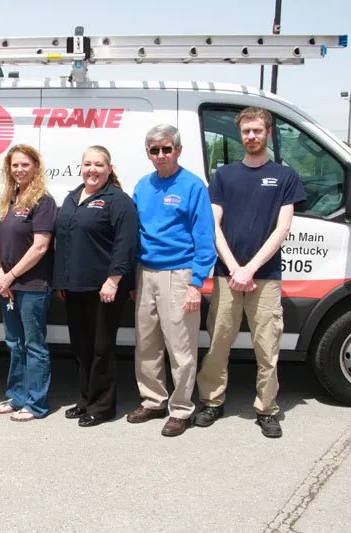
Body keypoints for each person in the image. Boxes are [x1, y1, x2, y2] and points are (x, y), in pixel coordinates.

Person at [195, 107, 306, 438]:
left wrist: (250, 269)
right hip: (226, 275)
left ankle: (267, 409)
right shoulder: (223, 175)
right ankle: (212, 402)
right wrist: (234, 267)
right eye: (246, 131)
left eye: (257, 130)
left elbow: (282, 229)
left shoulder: (285, 177)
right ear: (240, 134)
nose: (251, 136)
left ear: (268, 132)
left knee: (267, 348)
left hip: (265, 277)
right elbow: (213, 225)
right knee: (218, 343)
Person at [126, 125, 217, 437]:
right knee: (146, 343)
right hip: (145, 272)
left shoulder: (192, 186)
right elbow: (135, 234)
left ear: (178, 150)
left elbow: (204, 238)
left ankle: (181, 409)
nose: (161, 155)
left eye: (167, 149)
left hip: (179, 274)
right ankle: (153, 400)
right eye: (155, 150)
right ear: (148, 153)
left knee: (180, 347)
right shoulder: (143, 186)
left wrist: (196, 284)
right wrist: (133, 277)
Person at [53, 145, 139, 427]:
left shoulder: (118, 200)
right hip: (74, 287)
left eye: (99, 165)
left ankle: (102, 407)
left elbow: (126, 244)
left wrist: (113, 281)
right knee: (81, 347)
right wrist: (61, 281)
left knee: (102, 348)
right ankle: (85, 399)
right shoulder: (72, 197)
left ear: (109, 169)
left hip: (104, 289)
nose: (92, 169)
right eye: (88, 164)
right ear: (81, 167)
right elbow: (63, 241)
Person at [0, 144, 57, 422]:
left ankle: (36, 403)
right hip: (8, 286)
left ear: (36, 167)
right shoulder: (9, 198)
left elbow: (40, 247)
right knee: (14, 343)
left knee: (33, 345)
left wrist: (11, 276)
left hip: (32, 286)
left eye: (25, 164)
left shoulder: (43, 201)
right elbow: (0, 242)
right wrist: (0, 274)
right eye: (15, 165)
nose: (19, 169)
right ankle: (17, 396)